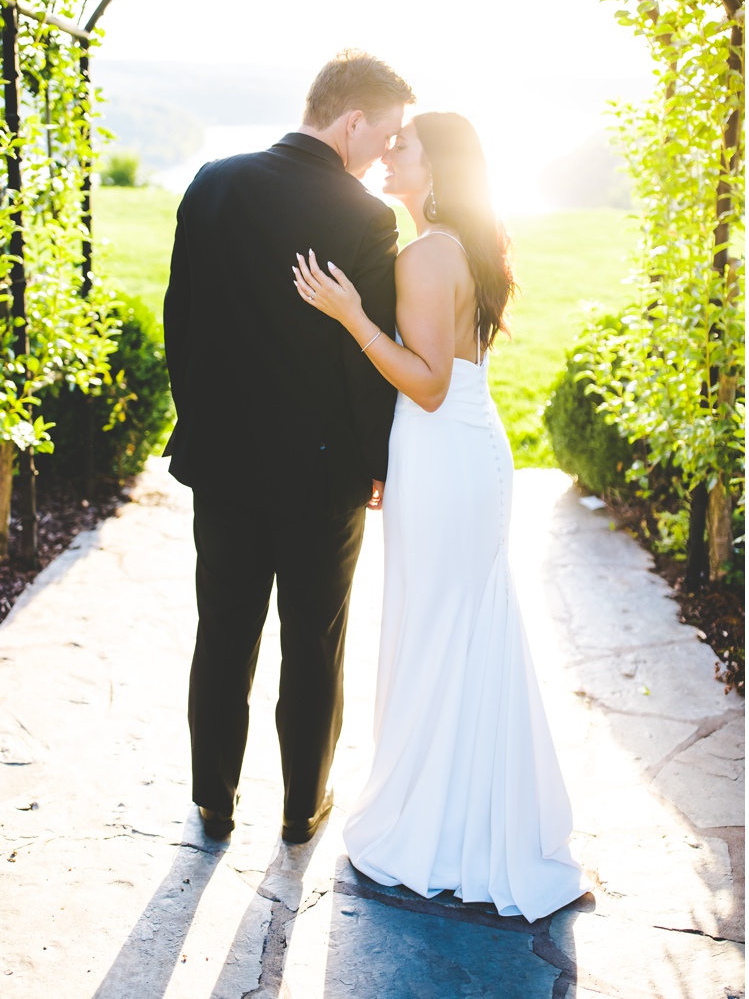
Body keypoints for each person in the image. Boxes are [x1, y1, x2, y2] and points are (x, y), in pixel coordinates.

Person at [292, 111, 586, 920]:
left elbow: (424, 382)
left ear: (438, 166)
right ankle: (470, 824)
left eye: (405, 146)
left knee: (436, 630)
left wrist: (350, 314)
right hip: (462, 447)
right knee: (461, 630)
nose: (390, 153)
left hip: (443, 447)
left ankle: (435, 829)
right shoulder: (467, 244)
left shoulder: (426, 253)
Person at [165, 49, 413, 845]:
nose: (384, 154)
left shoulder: (212, 183)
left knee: (223, 633)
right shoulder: (367, 220)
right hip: (322, 475)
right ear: (351, 122)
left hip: (225, 467)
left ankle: (213, 799)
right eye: (385, 135)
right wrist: (376, 462)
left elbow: (181, 323)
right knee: (314, 642)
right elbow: (361, 365)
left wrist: (202, 421)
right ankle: (302, 809)